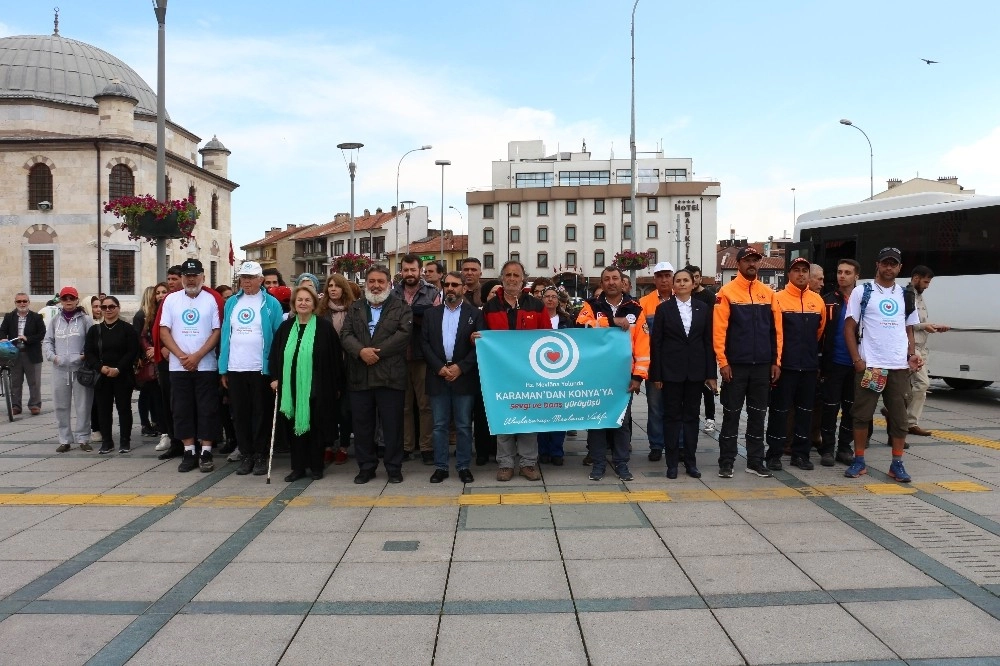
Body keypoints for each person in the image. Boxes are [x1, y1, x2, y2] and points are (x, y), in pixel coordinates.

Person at [843, 247, 922, 482]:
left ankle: (896, 463)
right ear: (877, 264)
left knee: (899, 418)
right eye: (885, 263)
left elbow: (908, 329)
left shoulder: (906, 295)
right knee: (861, 415)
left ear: (899, 267)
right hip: (871, 366)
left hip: (898, 367)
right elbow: (849, 328)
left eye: (894, 264)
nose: (889, 268)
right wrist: (857, 360)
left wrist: (912, 354)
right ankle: (859, 461)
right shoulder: (862, 291)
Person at [714, 246, 783, 479]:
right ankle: (726, 461)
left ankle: (755, 461)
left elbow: (776, 332)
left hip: (763, 366)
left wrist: (776, 361)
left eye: (755, 260)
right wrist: (723, 362)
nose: (752, 264)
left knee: (757, 415)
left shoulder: (769, 293)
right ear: (738, 263)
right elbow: (719, 331)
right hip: (736, 366)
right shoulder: (727, 292)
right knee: (731, 414)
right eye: (747, 260)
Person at [341, 266, 412, 484]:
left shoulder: (401, 307)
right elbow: (346, 334)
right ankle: (366, 467)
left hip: (390, 376)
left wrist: (375, 352)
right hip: (360, 375)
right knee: (362, 426)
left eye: (381, 281)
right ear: (366, 283)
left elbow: (404, 334)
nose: (376, 285)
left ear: (389, 284)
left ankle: (393, 467)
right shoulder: (355, 308)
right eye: (372, 281)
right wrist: (361, 351)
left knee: (392, 426)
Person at [481, 260, 551, 481]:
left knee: (528, 417)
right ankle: (505, 463)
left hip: (530, 372)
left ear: (523, 278)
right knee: (504, 416)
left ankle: (528, 463)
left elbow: (547, 336)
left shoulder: (536, 305)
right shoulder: (490, 307)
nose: (512, 278)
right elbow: (483, 336)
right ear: (502, 278)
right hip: (500, 373)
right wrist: (477, 339)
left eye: (516, 275)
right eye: (508, 275)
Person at [576, 266, 648, 482]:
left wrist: (638, 377)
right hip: (596, 376)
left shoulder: (635, 308)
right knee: (597, 422)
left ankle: (621, 463)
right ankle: (598, 463)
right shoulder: (592, 305)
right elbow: (580, 327)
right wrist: (610, 322)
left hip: (623, 378)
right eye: (606, 279)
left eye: (615, 278)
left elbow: (643, 346)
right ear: (602, 283)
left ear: (622, 281)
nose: (611, 282)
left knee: (621, 423)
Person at [269, 284, 344, 481]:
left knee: (316, 428)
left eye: (307, 300)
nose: (303, 303)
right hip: (291, 387)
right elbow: (275, 355)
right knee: (295, 429)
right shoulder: (285, 328)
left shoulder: (324, 328)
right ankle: (298, 468)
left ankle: (316, 466)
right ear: (294, 303)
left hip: (318, 387)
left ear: (314, 304)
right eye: (299, 300)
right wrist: (275, 378)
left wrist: (337, 385)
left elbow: (335, 358)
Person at [219, 261, 285, 476]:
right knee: (240, 414)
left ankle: (260, 454)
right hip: (236, 367)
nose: (246, 281)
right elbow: (225, 335)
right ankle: (246, 454)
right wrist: (223, 368)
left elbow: (277, 338)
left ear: (260, 280)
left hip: (260, 369)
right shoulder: (231, 303)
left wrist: (275, 371)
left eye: (250, 277)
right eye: (243, 277)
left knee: (261, 413)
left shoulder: (271, 303)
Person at [649, 269, 716, 478]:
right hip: (671, 372)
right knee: (671, 417)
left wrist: (710, 373)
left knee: (691, 417)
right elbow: (656, 343)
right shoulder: (663, 309)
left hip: (695, 372)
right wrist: (657, 375)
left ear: (693, 283)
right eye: (678, 281)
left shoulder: (703, 308)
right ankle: (671, 463)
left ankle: (690, 461)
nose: (681, 284)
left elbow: (708, 342)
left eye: (686, 280)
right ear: (673, 285)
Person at [159, 258, 224, 473]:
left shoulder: (211, 300)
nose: (191, 279)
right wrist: (181, 355)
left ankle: (205, 451)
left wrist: (197, 356)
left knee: (207, 409)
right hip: (179, 367)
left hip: (205, 365)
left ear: (202, 277)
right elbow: (164, 331)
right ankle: (189, 451)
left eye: (195, 275)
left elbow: (217, 331)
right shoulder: (171, 300)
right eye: (187, 275)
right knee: (181, 409)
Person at [764, 258, 826, 471]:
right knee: (779, 411)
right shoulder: (777, 298)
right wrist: (776, 362)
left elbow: (819, 331)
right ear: (789, 274)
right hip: (785, 367)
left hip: (808, 367)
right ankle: (773, 454)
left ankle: (801, 454)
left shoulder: (817, 301)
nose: (801, 274)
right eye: (796, 271)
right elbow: (774, 333)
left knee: (805, 412)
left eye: (804, 271)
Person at [421, 271, 482, 484]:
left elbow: (479, 347)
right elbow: (424, 344)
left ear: (464, 288)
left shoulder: (474, 314)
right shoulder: (431, 314)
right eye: (446, 284)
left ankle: (464, 465)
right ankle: (441, 466)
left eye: (455, 285)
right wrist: (439, 367)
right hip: (438, 376)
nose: (450, 288)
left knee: (464, 425)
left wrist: (461, 367)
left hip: (463, 377)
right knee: (439, 425)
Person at [392, 254, 441, 464]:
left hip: (423, 356)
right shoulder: (392, 293)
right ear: (401, 270)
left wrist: (409, 315)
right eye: (406, 270)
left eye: (413, 270)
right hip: (398, 356)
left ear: (420, 270)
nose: (409, 274)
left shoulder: (432, 292)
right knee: (403, 406)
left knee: (425, 405)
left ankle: (427, 447)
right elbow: (389, 321)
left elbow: (436, 321)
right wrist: (417, 314)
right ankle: (406, 446)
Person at [819, 259, 862, 465]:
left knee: (851, 408)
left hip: (857, 365)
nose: (842, 276)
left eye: (847, 272)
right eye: (839, 272)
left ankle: (844, 447)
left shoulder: (864, 301)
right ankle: (827, 448)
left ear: (856, 276)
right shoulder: (826, 300)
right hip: (833, 362)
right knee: (829, 408)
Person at [85, 296, 139, 454]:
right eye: (104, 307)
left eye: (111, 306)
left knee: (124, 408)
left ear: (118, 308)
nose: (108, 310)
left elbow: (132, 351)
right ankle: (107, 441)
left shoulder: (127, 329)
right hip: (102, 375)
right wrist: (100, 367)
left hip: (122, 375)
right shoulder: (95, 330)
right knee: (103, 409)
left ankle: (125, 441)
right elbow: (89, 352)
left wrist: (118, 368)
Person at [42, 287, 94, 452]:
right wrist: (53, 357)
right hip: (60, 368)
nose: (69, 301)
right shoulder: (55, 320)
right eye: (65, 298)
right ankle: (65, 439)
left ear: (77, 300)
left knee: (83, 405)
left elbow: (91, 341)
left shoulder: (85, 320)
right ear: (61, 301)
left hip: (80, 369)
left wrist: (83, 356)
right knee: (61, 405)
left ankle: (83, 438)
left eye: (72, 298)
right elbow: (48, 340)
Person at [903, 265, 949, 437]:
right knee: (922, 384)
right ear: (915, 278)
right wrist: (926, 326)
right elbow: (905, 321)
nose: (927, 286)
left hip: (921, 347)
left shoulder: (920, 297)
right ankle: (908, 421)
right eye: (925, 281)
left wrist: (934, 326)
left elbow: (919, 322)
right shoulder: (907, 296)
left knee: (908, 386)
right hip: (911, 348)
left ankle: (897, 414)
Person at [317, 273, 356, 465]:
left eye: (336, 286)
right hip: (327, 366)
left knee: (345, 410)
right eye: (329, 286)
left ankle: (344, 446)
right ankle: (327, 445)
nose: (332, 289)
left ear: (344, 289)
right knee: (327, 408)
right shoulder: (321, 311)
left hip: (349, 365)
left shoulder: (353, 310)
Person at [638, 261, 674, 462]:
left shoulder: (683, 300)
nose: (664, 279)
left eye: (667, 275)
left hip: (677, 365)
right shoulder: (644, 303)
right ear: (655, 279)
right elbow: (641, 335)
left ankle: (678, 444)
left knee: (677, 406)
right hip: (654, 365)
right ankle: (656, 445)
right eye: (660, 276)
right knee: (655, 406)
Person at [537, 286, 574, 466]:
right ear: (542, 299)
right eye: (547, 297)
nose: (550, 299)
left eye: (553, 297)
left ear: (559, 300)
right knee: (543, 413)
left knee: (560, 413)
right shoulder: (536, 318)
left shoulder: (567, 320)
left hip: (562, 371)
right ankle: (542, 450)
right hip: (540, 371)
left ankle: (557, 450)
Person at [152, 265, 184, 457]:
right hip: (166, 360)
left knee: (184, 403)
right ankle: (175, 442)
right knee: (168, 402)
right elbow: (160, 327)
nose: (170, 283)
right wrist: (160, 346)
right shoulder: (167, 300)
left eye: (174, 279)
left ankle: (190, 441)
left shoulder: (190, 299)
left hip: (184, 359)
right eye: (169, 279)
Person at [0, 293, 46, 416]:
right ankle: (16, 405)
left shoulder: (36, 317)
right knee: (15, 382)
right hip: (14, 354)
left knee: (34, 382)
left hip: (32, 353)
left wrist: (27, 338)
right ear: (15, 303)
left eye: (24, 301)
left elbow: (42, 334)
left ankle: (35, 405)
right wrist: (3, 338)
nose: (22, 303)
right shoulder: (9, 317)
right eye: (19, 301)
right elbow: (2, 330)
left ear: (29, 302)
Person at [687, 265, 718, 433]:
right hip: (688, 347)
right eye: (692, 276)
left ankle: (710, 418)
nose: (695, 280)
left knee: (707, 385)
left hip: (706, 342)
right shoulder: (684, 295)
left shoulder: (708, 296)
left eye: (697, 276)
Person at [133, 285, 164, 437]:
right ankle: (146, 423)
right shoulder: (141, 316)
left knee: (154, 393)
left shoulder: (153, 315)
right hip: (147, 360)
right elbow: (138, 337)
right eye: (156, 294)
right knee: (147, 393)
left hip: (153, 357)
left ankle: (155, 422)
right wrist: (141, 356)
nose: (159, 297)